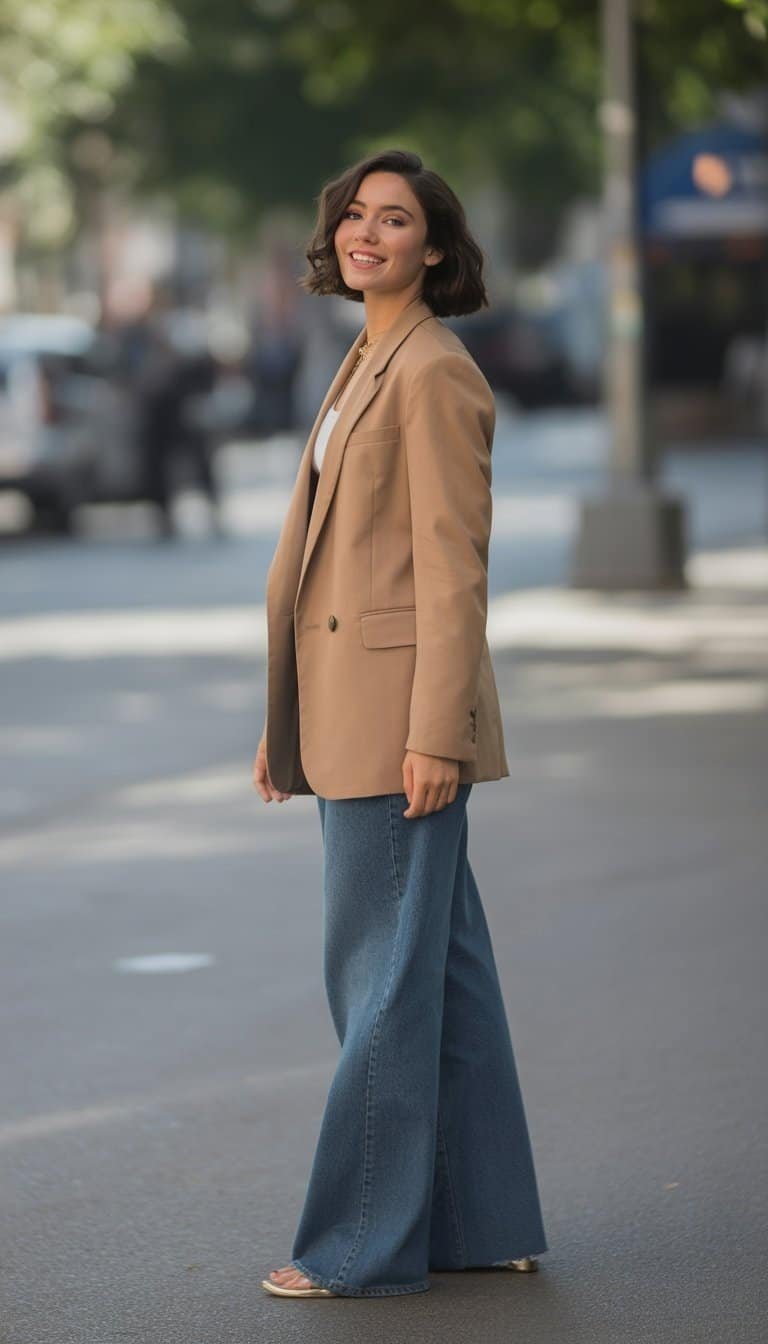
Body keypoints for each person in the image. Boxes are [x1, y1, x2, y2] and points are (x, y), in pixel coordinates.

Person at [252, 148, 548, 1299]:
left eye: (396, 219)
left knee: (377, 983)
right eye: (356, 215)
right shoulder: (367, 355)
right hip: (348, 712)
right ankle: (483, 1219)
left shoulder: (433, 370)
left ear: (435, 248)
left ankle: (357, 1245)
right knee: (444, 974)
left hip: (397, 727)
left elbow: (449, 571)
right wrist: (285, 724)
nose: (368, 232)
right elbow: (329, 565)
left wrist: (436, 732)